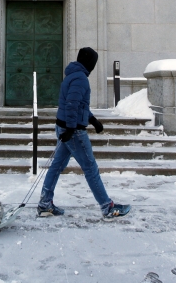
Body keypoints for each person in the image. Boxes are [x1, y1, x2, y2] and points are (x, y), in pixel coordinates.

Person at [37, 47, 131, 221]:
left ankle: (45, 204)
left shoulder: (72, 75)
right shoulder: (80, 78)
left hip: (64, 127)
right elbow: (72, 105)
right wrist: (71, 129)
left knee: (56, 166)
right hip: (73, 132)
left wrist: (93, 119)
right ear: (89, 62)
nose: (94, 65)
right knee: (90, 168)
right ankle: (107, 207)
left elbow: (78, 105)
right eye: (93, 62)